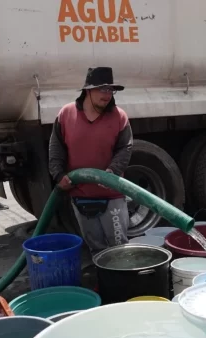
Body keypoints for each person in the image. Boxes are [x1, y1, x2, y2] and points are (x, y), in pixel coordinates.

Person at [48, 67, 133, 254]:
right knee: (97, 249)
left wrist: (112, 172)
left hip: (112, 195)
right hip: (81, 195)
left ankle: (124, 283)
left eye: (111, 90)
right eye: (103, 89)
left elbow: (125, 147)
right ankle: (103, 282)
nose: (108, 94)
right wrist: (59, 174)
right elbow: (56, 148)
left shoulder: (119, 116)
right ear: (88, 90)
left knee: (120, 248)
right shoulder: (66, 114)